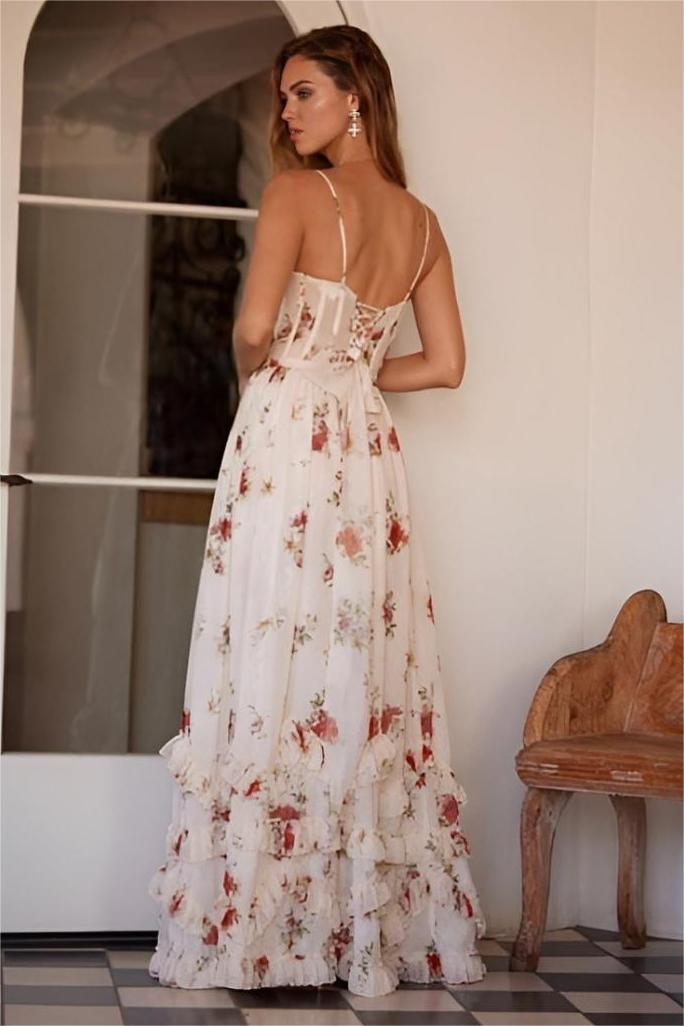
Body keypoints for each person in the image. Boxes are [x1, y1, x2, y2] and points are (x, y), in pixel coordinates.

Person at [148, 24, 486, 998]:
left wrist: (278, 375)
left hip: (287, 436)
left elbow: (255, 326)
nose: (287, 113)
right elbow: (447, 365)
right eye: (284, 97)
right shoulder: (422, 222)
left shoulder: (298, 193)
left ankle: (260, 931)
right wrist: (357, 372)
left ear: (356, 95)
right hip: (364, 451)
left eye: (304, 92)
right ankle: (355, 933)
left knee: (269, 642)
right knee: (354, 655)